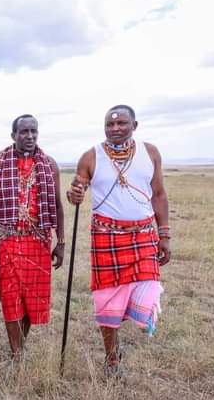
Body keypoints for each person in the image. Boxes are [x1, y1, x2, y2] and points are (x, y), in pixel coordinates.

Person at [67, 104, 171, 377]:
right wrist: (74, 194)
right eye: (109, 125)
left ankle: (131, 322)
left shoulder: (150, 153)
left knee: (146, 293)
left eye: (122, 123)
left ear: (134, 126)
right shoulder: (91, 157)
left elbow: (158, 194)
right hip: (106, 238)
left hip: (143, 237)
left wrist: (165, 234)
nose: (115, 129)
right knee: (107, 301)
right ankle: (112, 358)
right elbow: (77, 189)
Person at [0, 114, 64, 358]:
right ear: (13, 135)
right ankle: (16, 353)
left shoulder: (50, 164)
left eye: (33, 131)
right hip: (9, 239)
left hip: (38, 240)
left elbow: (57, 205)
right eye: (24, 132)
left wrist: (62, 243)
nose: (30, 136)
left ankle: (20, 344)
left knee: (31, 299)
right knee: (10, 295)